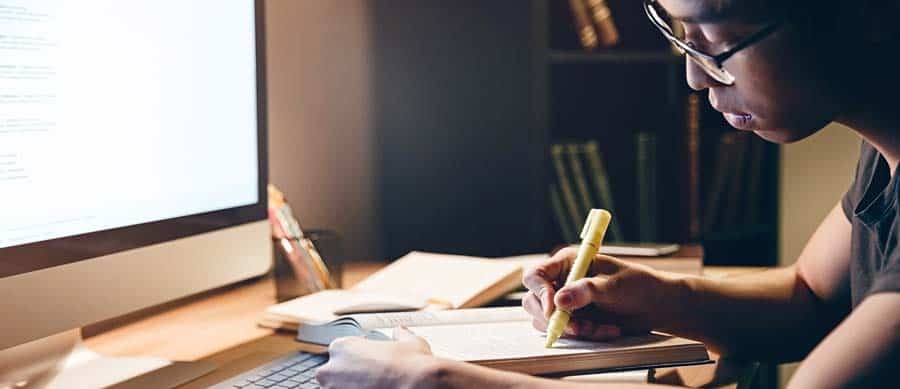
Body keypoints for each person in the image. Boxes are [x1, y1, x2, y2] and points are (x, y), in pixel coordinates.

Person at [315, 0, 900, 387]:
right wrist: (656, 297)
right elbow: (811, 300)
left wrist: (428, 381)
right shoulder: (885, 151)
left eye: (719, 42)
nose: (697, 77)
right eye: (679, 33)